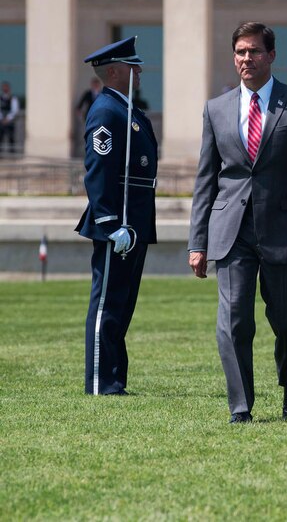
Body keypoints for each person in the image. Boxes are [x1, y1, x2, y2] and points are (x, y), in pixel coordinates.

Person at [187, 22, 287, 424]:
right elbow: (205, 179)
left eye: (254, 51)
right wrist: (197, 242)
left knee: (286, 322)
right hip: (232, 233)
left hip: (283, 232)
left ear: (271, 56)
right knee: (233, 320)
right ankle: (241, 406)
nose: (246, 59)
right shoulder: (216, 109)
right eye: (240, 52)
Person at [76, 36, 157, 396]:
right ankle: (100, 383)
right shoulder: (107, 110)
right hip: (119, 223)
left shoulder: (126, 109)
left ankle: (114, 379)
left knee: (121, 306)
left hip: (134, 222)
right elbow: (98, 170)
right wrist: (110, 223)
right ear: (113, 70)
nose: (138, 71)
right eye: (131, 66)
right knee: (107, 304)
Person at [0, 81, 18, 155]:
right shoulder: (1, 98)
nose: (5, 89)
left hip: (10, 122)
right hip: (1, 122)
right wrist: (2, 118)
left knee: (11, 138)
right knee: (0, 139)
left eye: (6, 87)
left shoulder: (13, 98)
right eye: (3, 87)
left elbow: (14, 110)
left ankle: (12, 155)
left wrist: (7, 118)